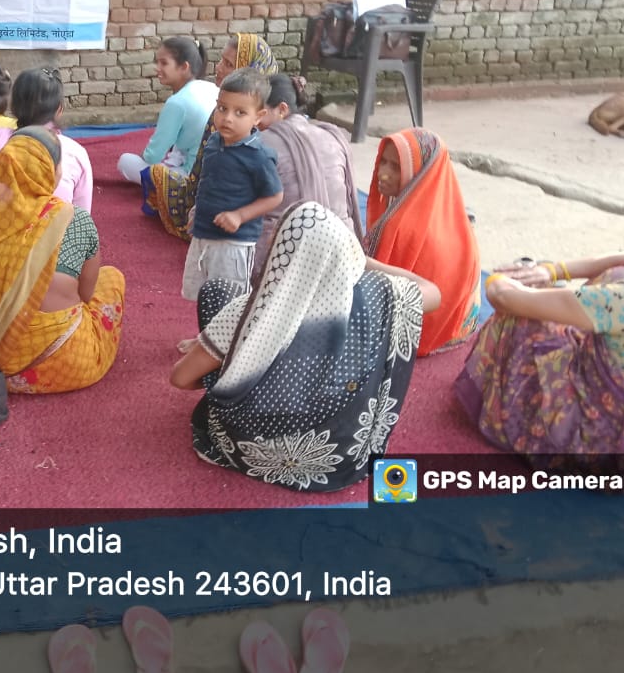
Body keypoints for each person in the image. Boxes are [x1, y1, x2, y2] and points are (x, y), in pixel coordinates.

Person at [170, 202, 440, 491]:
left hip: (253, 446)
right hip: (338, 454)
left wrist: (227, 374)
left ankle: (235, 393)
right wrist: (362, 262)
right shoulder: (377, 298)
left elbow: (181, 378)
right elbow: (433, 292)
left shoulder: (248, 314)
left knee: (217, 292)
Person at [454, 209, 624, 490]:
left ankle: (504, 411)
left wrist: (502, 280)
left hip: (594, 444)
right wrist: (551, 271)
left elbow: (504, 298)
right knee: (619, 273)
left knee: (521, 320)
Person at [0, 129, 125, 394]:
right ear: (51, 170)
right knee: (112, 278)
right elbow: (86, 295)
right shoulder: (73, 218)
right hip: (69, 361)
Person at [149, 33, 280, 241]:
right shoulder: (219, 126)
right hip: (212, 220)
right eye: (221, 60)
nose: (218, 68)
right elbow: (205, 175)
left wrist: (238, 216)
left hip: (243, 233)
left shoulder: (265, 141)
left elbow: (274, 195)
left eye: (228, 64)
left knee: (150, 171)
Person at [364, 127, 481, 355]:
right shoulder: (455, 214)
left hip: (421, 331)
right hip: (459, 324)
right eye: (383, 162)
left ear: (420, 172)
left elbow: (375, 287)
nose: (383, 173)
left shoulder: (398, 229)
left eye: (396, 167)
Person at [182, 69, 283, 303]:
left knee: (228, 301)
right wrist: (197, 211)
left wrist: (239, 215)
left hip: (234, 243)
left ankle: (224, 330)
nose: (227, 118)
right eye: (222, 108)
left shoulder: (258, 155)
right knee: (202, 296)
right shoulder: (214, 142)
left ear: (258, 117)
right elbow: (208, 181)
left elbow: (275, 196)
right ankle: (204, 329)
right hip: (203, 234)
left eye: (240, 112)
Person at [252, 74, 362, 280]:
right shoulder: (333, 136)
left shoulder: (261, 143)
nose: (253, 120)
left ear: (282, 109)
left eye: (260, 113)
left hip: (281, 265)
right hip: (345, 256)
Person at [117, 37, 220, 206]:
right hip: (217, 173)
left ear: (184, 67)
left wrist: (146, 157)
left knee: (125, 161)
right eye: (157, 62)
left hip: (190, 178)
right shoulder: (211, 87)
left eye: (164, 63)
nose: (157, 68)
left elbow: (152, 156)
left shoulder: (177, 103)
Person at [0, 68, 94, 211]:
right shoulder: (75, 153)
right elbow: (82, 214)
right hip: (56, 225)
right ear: (59, 109)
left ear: (14, 106)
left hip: (1, 224)